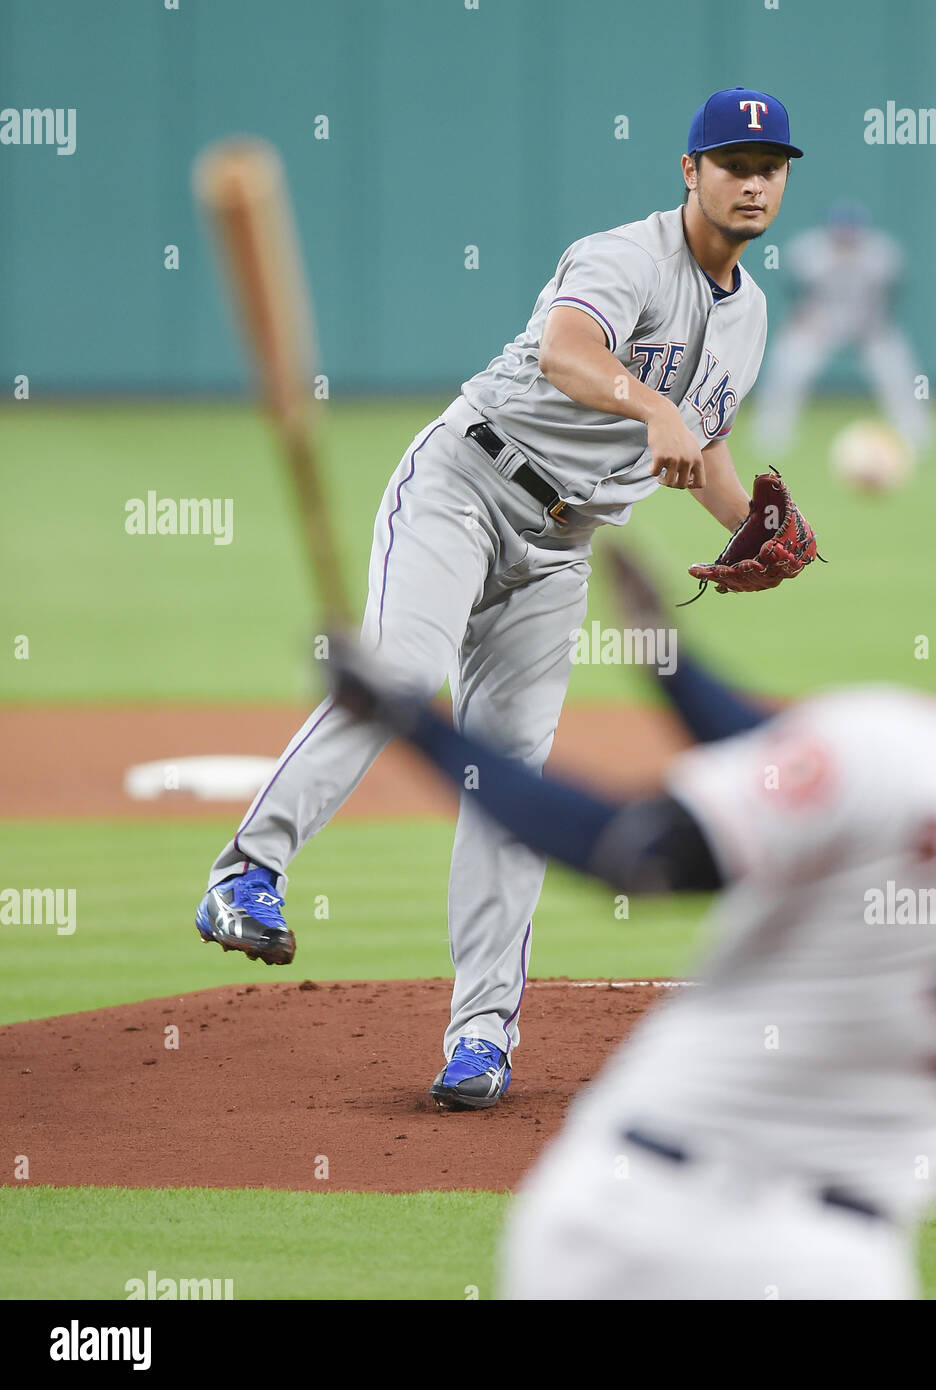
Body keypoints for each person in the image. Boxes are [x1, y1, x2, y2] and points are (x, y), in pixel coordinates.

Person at [329, 539, 936, 1297]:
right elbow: (829, 785)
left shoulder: (892, 743)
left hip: (632, 1231)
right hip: (845, 1266)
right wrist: (669, 662)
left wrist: (415, 723)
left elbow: (634, 850)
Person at [194, 87, 817, 1112]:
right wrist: (650, 401)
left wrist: (748, 522)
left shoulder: (749, 315)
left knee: (506, 782)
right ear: (688, 171)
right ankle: (245, 874)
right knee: (399, 674)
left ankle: (480, 1035)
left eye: (771, 165)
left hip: (561, 548)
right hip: (468, 484)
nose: (753, 181)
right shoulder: (621, 257)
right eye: (733, 162)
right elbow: (572, 356)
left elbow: (698, 446)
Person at [751, 201, 934, 461]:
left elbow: (891, 293)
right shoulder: (809, 251)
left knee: (896, 365)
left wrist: (874, 324)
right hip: (822, 320)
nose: (846, 237)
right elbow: (796, 292)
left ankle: (916, 432)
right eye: (841, 230)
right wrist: (806, 321)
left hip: (868, 321)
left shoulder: (882, 252)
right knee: (789, 362)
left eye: (852, 231)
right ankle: (772, 433)